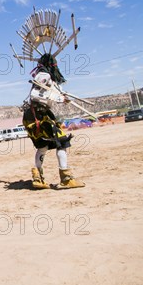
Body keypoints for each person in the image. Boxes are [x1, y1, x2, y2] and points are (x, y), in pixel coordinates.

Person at [23, 53, 85, 189]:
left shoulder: (49, 78)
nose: (56, 66)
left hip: (39, 114)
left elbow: (53, 94)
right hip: (38, 116)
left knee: (43, 147)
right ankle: (66, 179)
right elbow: (35, 94)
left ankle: (38, 178)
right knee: (61, 143)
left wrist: (63, 98)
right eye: (54, 63)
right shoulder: (44, 76)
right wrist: (58, 98)